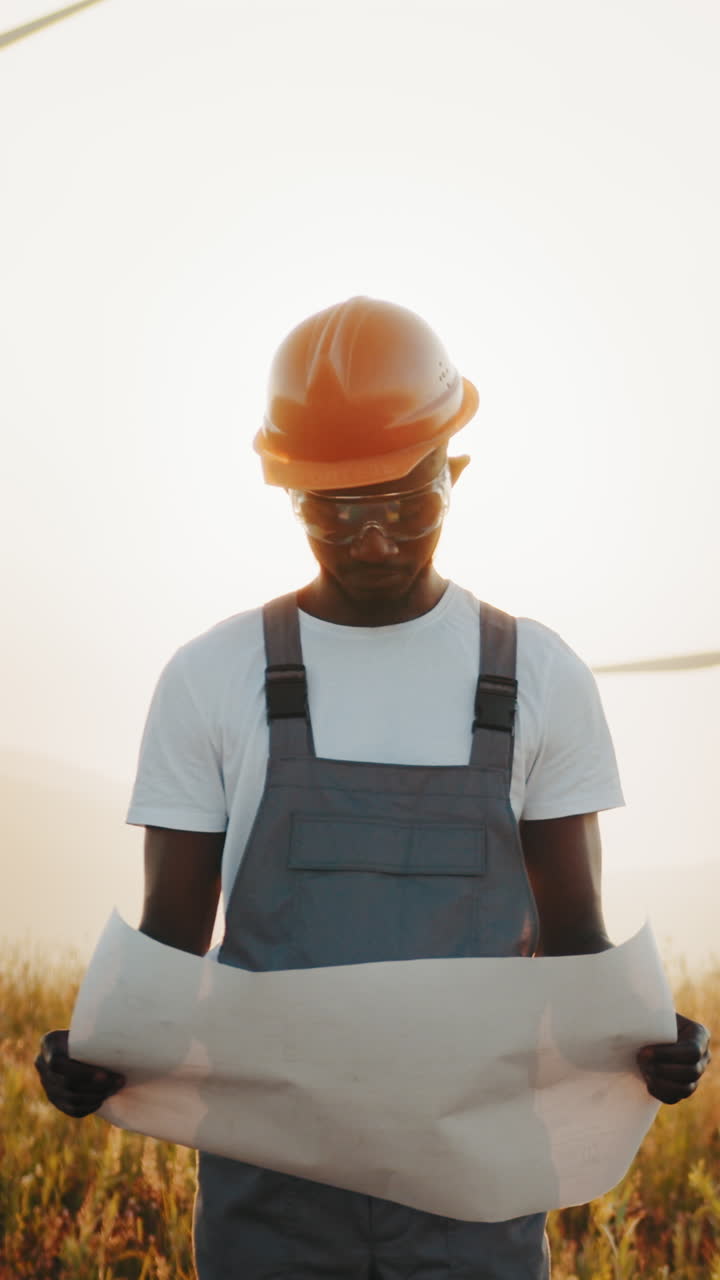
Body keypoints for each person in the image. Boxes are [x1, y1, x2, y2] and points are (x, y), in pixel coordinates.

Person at [36, 296, 711, 1279]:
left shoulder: (540, 678)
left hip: (475, 1202)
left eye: (406, 502)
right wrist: (93, 1052)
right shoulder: (212, 677)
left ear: (457, 472)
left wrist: (649, 1039)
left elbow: (574, 950)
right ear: (289, 493)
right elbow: (170, 950)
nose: (376, 541)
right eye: (337, 510)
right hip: (268, 1207)